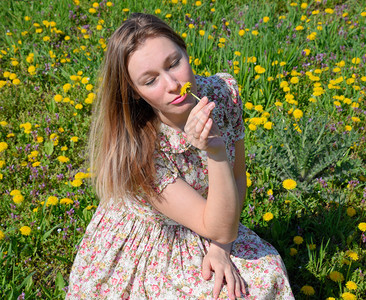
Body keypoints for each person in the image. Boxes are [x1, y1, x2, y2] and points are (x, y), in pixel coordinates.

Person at [66, 13, 294, 300]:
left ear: (186, 51)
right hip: (153, 241)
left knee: (263, 277)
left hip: (216, 220)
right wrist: (215, 151)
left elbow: (237, 177)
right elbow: (216, 226)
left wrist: (221, 246)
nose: (173, 84)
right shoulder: (141, 150)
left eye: (174, 63)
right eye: (150, 81)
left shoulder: (222, 95)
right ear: (135, 93)